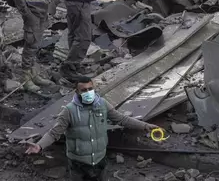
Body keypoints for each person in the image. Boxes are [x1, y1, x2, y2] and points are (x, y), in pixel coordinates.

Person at [24, 76, 159, 180]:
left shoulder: (102, 104)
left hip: (100, 159)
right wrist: (39, 145)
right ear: (77, 91)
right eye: (84, 90)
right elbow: (54, 133)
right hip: (78, 163)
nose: (88, 92)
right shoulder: (69, 111)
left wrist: (145, 126)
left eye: (90, 89)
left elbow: (122, 119)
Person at [12, 0, 54, 92]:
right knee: (30, 45)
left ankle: (34, 74)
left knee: (37, 43)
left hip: (43, 11)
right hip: (32, 13)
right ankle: (25, 78)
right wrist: (27, 15)